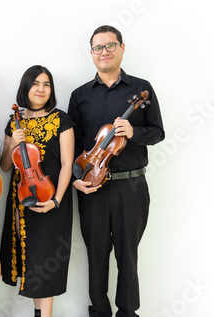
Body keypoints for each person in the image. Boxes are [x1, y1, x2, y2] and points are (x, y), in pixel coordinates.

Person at [68, 25, 165, 317]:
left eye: (110, 45)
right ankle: (99, 311)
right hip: (92, 188)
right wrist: (76, 179)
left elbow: (158, 132)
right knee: (96, 255)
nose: (104, 52)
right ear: (92, 54)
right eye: (98, 47)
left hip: (131, 187)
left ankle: (127, 313)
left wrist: (134, 131)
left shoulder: (140, 88)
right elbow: (73, 147)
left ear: (122, 48)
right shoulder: (80, 95)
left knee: (128, 255)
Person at [0, 65, 75, 317]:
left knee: (45, 263)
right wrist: (13, 143)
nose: (40, 89)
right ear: (26, 88)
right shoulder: (14, 122)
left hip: (51, 198)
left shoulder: (61, 119)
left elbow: (67, 164)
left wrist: (56, 200)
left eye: (46, 84)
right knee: (31, 262)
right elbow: (6, 165)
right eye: (35, 84)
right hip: (22, 199)